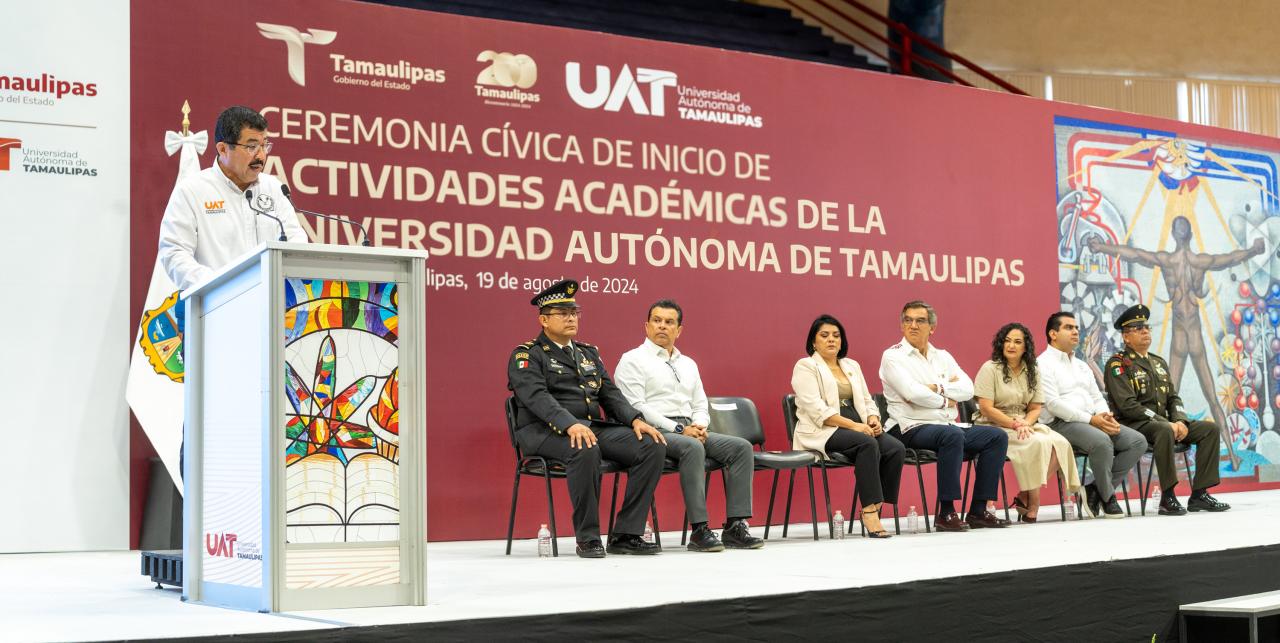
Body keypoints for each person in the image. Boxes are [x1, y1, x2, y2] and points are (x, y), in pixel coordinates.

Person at [507, 279, 668, 558]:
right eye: (562, 313)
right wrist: (570, 424)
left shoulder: (587, 353)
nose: (571, 318)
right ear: (543, 320)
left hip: (591, 428)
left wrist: (635, 419)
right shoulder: (527, 355)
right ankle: (588, 537)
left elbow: (610, 394)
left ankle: (626, 534)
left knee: (651, 444)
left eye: (574, 312)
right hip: (544, 432)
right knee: (585, 447)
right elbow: (537, 398)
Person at [1090, 216, 1265, 469]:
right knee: (1199, 397)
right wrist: (1254, 250)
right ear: (1191, 235)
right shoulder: (1199, 261)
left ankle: (1168, 459)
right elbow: (1229, 258)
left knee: (1167, 398)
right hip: (1191, 333)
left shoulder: (1167, 260)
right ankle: (1231, 456)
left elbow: (1135, 255)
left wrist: (1101, 247)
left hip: (1183, 334)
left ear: (1173, 234)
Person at [614, 300, 763, 551]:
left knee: (741, 448)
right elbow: (637, 406)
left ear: (679, 330)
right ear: (646, 326)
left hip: (691, 429)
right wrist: (680, 430)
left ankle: (735, 526)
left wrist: (700, 425)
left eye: (669, 322)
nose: (662, 326)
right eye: (657, 321)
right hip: (654, 431)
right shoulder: (632, 360)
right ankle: (700, 530)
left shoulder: (688, 363)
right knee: (692, 447)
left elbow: (700, 403)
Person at [879, 300, 1010, 532]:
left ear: (932, 327)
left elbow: (968, 389)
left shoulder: (943, 356)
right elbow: (911, 393)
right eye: (908, 320)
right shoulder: (893, 356)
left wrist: (935, 388)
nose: (913, 325)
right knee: (951, 436)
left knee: (996, 437)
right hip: (908, 427)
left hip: (944, 424)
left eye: (920, 321)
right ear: (901, 325)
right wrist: (945, 399)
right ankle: (946, 513)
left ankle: (978, 511)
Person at [158, 105, 307, 291]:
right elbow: (174, 253)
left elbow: (295, 239)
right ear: (223, 149)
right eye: (251, 147)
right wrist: (219, 285)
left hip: (273, 298)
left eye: (264, 145)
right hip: (216, 301)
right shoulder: (191, 191)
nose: (261, 156)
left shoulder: (274, 188)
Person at [1103, 304, 1230, 515]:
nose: (1145, 331)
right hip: (1134, 425)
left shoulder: (1158, 362)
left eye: (1147, 327)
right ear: (1126, 337)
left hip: (1165, 424)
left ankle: (1199, 494)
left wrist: (1180, 420)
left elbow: (1173, 397)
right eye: (1138, 328)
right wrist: (1166, 423)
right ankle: (1168, 497)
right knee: (1164, 430)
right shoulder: (1118, 364)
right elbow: (1128, 406)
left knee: (1210, 430)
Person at [791, 314, 905, 538]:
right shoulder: (806, 366)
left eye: (836, 335)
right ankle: (869, 512)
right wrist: (854, 426)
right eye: (824, 335)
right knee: (867, 444)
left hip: (857, 425)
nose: (831, 340)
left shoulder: (851, 365)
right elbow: (816, 409)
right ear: (813, 341)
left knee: (895, 448)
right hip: (823, 429)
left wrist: (873, 418)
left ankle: (878, 505)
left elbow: (867, 399)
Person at [1038, 311, 1147, 519]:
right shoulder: (1042, 364)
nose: (1075, 332)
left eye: (1076, 328)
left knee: (1137, 441)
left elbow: (1096, 397)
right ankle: (1108, 498)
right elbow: (1053, 404)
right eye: (1068, 328)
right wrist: (1092, 420)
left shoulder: (1081, 365)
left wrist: (1105, 416)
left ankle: (1095, 489)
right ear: (1053, 334)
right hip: (1060, 423)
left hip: (1092, 421)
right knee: (1101, 442)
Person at [972, 323, 1079, 523]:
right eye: (1007, 341)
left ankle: (1025, 493)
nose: (1011, 345)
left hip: (1023, 423)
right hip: (993, 425)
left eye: (1017, 342)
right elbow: (986, 408)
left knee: (1061, 444)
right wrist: (1015, 424)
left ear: (1025, 347)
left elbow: (1035, 408)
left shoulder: (1032, 370)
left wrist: (1025, 424)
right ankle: (1034, 501)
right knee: (1038, 442)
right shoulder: (990, 368)